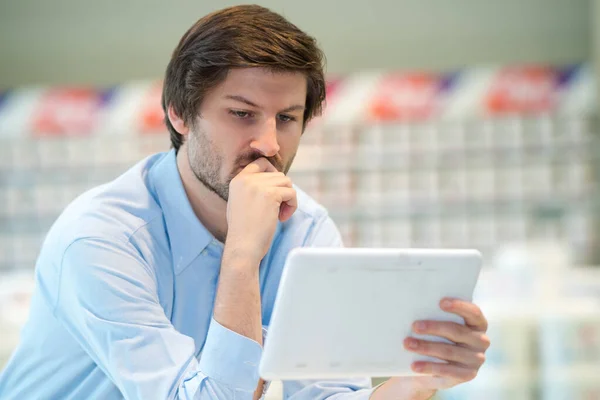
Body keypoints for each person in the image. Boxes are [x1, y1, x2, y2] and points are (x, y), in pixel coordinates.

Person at [0, 5, 490, 400]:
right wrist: (242, 256)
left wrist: (420, 380)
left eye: (287, 118)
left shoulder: (306, 230)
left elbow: (324, 394)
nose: (268, 143)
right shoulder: (101, 239)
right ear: (179, 113)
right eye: (241, 114)